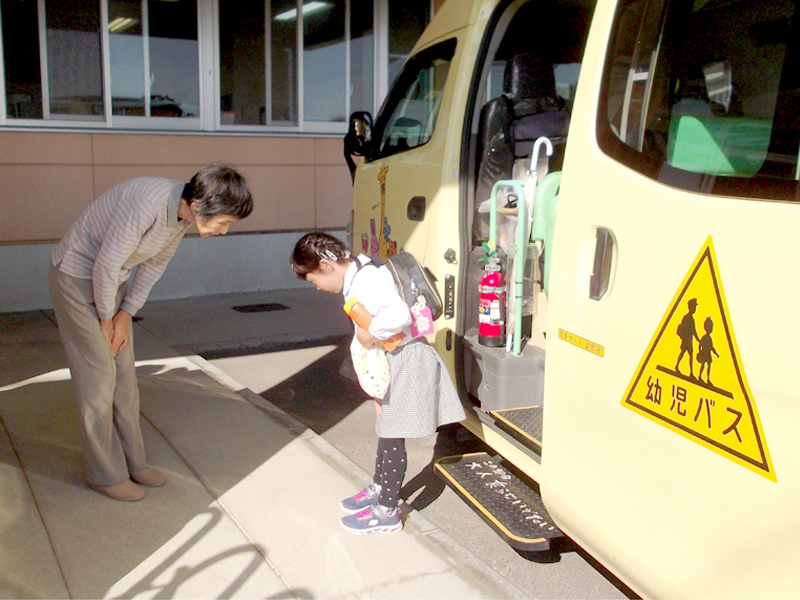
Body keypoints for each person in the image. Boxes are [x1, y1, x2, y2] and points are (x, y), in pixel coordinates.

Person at [49, 164, 253, 502]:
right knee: (97, 376)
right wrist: (106, 319)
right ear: (199, 206)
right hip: (75, 277)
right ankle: (105, 474)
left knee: (124, 375)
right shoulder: (147, 204)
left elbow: (154, 264)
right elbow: (105, 263)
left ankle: (134, 463)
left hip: (109, 283)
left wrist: (125, 314)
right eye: (224, 222)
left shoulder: (182, 216)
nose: (224, 231)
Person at [291, 232, 466, 534]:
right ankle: (379, 487)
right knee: (386, 429)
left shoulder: (366, 279)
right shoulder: (361, 272)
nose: (317, 287)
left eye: (313, 280)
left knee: (391, 434)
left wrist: (366, 335)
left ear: (325, 266)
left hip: (405, 359)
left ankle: (387, 510)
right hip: (393, 360)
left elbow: (397, 315)